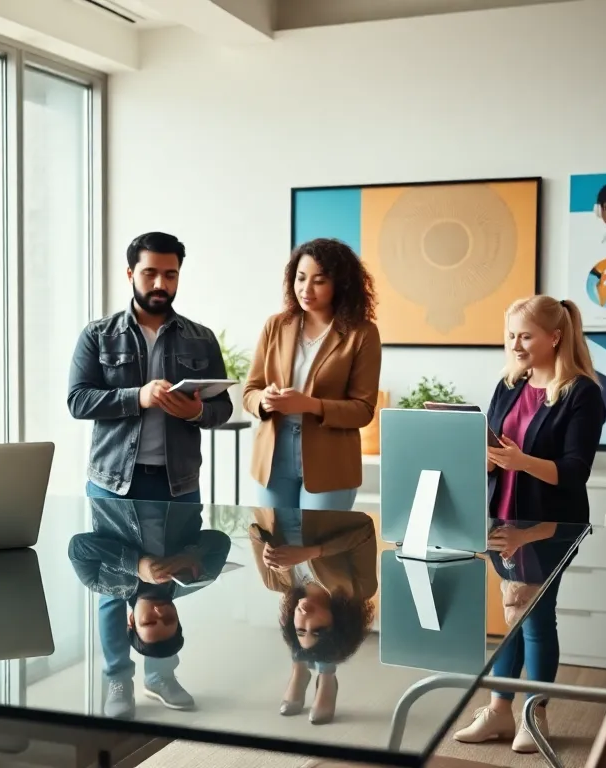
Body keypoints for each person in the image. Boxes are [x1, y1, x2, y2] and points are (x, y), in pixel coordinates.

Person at [453, 295, 605, 754]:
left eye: (525, 336)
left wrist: (521, 461)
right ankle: (499, 712)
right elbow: (498, 451)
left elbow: (575, 470)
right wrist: (489, 460)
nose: (515, 344)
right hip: (503, 518)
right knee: (512, 615)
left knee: (535, 617)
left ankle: (532, 716)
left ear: (554, 337)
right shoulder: (509, 384)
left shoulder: (582, 393)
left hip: (552, 525)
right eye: (510, 335)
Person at [68, 232, 233, 502]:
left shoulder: (202, 338)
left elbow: (223, 407)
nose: (160, 283)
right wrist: (138, 397)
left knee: (181, 546)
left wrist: (197, 411)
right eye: (149, 273)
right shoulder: (98, 334)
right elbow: (78, 401)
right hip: (112, 485)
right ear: (130, 274)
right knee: (110, 547)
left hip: (179, 485)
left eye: (171, 275)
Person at [243, 238, 381, 512]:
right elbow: (250, 392)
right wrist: (264, 400)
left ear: (339, 284)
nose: (306, 289)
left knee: (322, 548)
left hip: (331, 458)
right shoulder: (276, 325)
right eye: (300, 278)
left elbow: (363, 410)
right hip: (273, 453)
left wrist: (310, 405)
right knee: (277, 545)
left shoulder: (362, 333)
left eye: (319, 280)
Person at [68, 498, 230, 719]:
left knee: (112, 589)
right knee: (114, 597)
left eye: (149, 621)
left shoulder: (101, 580)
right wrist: (188, 556)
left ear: (132, 620)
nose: (160, 612)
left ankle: (158, 676)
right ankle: (120, 679)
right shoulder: (195, 579)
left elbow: (78, 548)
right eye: (169, 619)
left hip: (118, 495)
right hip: (174, 491)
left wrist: (134, 564)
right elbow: (220, 541)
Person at [248, 508, 377, 725]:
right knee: (322, 646)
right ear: (338, 623)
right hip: (318, 509)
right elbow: (364, 530)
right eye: (317, 628)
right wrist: (313, 552)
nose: (305, 617)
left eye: (300, 628)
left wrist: (269, 550)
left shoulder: (277, 582)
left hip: (282, 506)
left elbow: (255, 531)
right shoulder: (359, 589)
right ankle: (312, 673)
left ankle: (313, 673)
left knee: (309, 640)